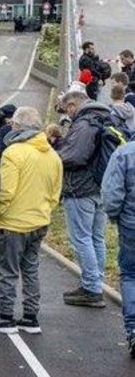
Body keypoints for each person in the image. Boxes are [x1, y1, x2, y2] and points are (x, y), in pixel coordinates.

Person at [0, 106, 63, 335]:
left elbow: (6, 191)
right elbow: (56, 192)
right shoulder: (52, 155)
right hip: (40, 220)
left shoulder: (13, 153)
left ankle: (6, 317)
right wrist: (44, 209)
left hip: (14, 222)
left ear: (18, 126)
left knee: (7, 271)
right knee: (31, 269)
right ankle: (30, 317)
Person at [56, 90, 112, 308]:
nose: (67, 115)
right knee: (97, 238)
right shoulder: (104, 118)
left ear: (72, 105)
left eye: (66, 110)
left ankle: (91, 288)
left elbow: (75, 156)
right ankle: (95, 281)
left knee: (82, 238)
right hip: (101, 186)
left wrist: (55, 156)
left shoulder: (84, 123)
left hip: (81, 188)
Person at [102, 135, 135, 357]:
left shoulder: (125, 153)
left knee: (131, 275)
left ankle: (133, 327)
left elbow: (112, 193)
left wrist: (115, 216)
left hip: (131, 225)